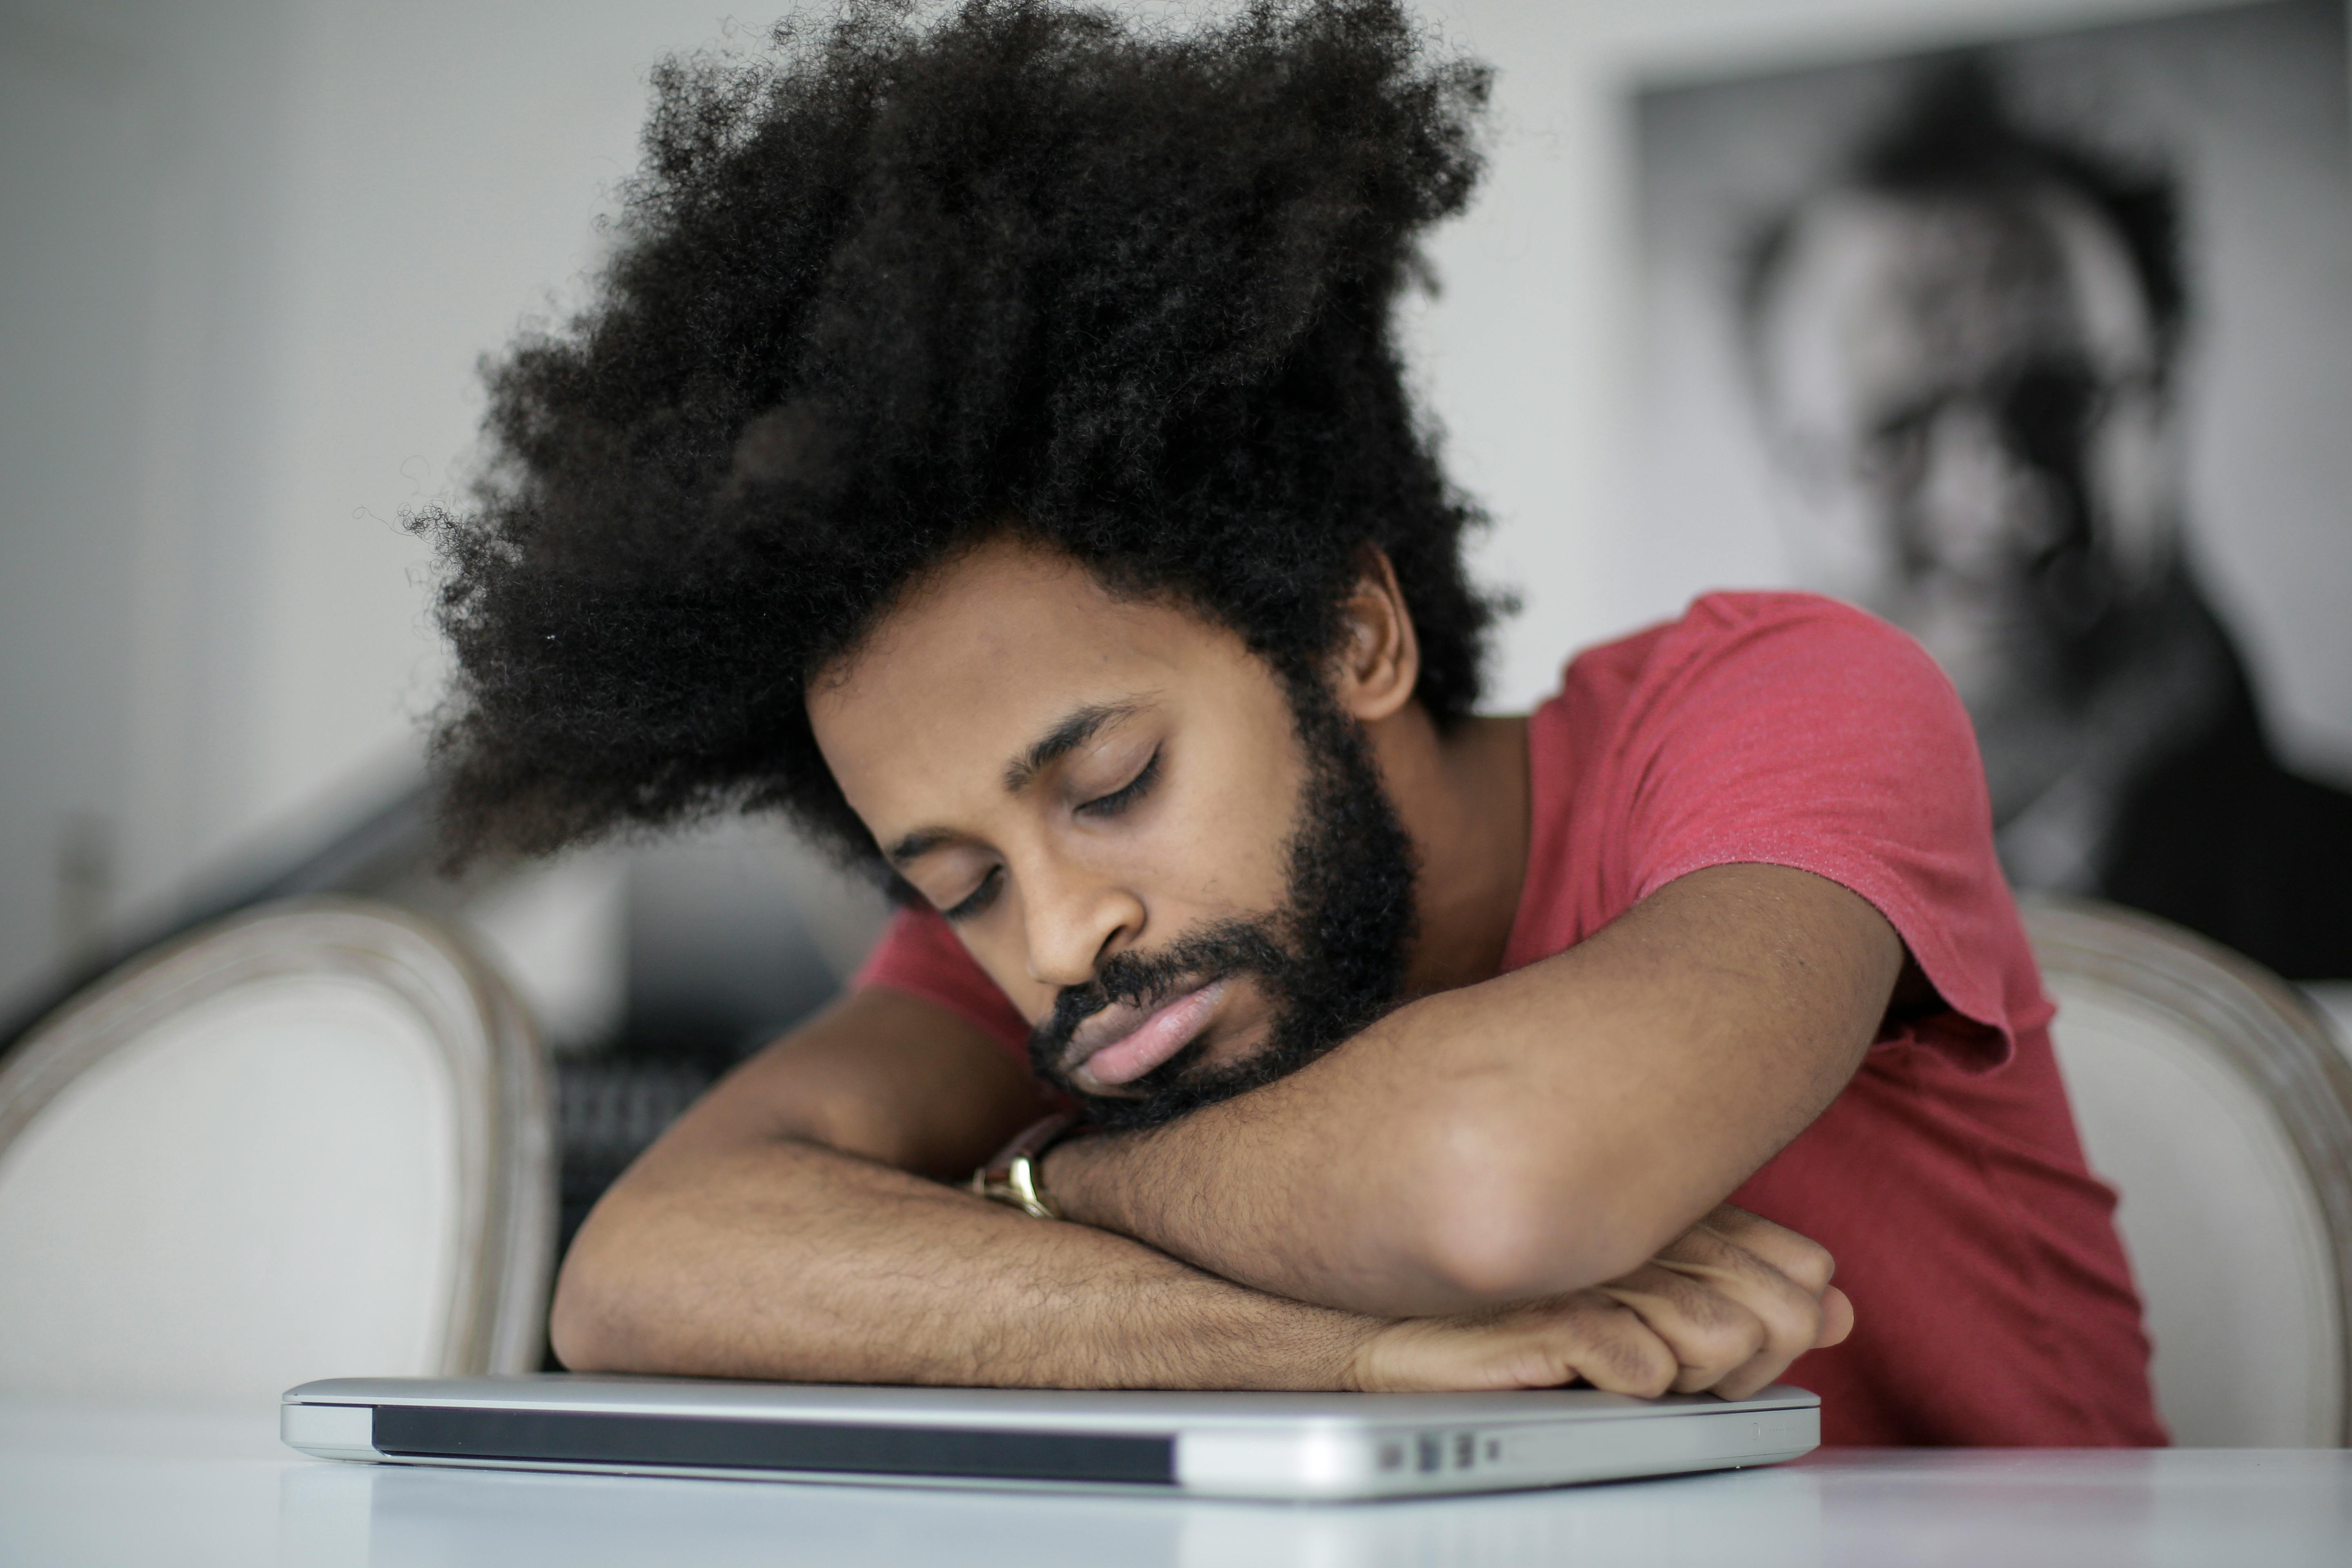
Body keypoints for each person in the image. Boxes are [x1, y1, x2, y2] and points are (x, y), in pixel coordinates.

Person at [421, 0, 2161, 1445]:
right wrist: (1340, 1348)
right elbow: (644, 1272)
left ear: (1353, 633)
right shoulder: (1107, 960)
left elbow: (1503, 1181)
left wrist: (1041, 1189)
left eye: (1111, 781)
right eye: (949, 881)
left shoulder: (1779, 704)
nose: (1053, 938)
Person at [1738, 56, 2352, 980]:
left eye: (2060, 403)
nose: (1999, 502)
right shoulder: (1684, 947)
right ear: (1789, 473)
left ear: (2168, 398)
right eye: (1896, 431)